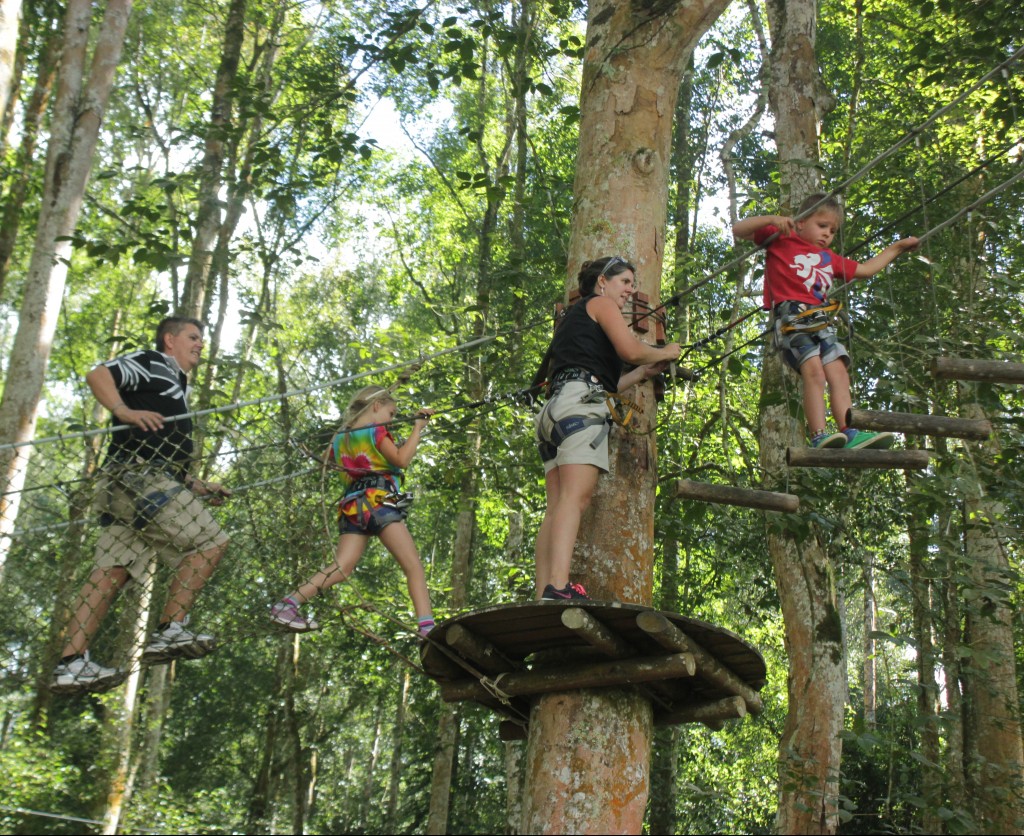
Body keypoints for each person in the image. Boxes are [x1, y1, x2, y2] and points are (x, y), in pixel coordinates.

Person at [51, 317, 231, 694]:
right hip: (140, 481)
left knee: (111, 571)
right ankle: (170, 630)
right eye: (193, 337)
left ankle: (70, 663)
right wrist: (122, 410)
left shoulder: (176, 387)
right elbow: (99, 373)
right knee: (211, 541)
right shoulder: (151, 362)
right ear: (170, 340)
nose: (200, 344)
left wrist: (194, 485)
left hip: (136, 486)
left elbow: (161, 448)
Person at [533, 256, 681, 601]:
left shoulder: (575, 319)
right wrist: (666, 349)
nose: (630, 290)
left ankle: (544, 589)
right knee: (575, 498)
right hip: (581, 409)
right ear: (603, 281)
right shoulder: (600, 303)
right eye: (625, 282)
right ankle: (557, 585)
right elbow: (629, 348)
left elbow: (601, 378)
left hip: (557, 408)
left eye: (632, 283)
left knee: (555, 506)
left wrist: (643, 374)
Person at [732, 193, 919, 449]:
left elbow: (865, 270)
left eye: (832, 231)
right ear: (800, 222)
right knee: (814, 372)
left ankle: (849, 430)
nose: (827, 235)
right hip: (791, 315)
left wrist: (897, 247)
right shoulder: (782, 239)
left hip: (820, 318)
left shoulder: (830, 259)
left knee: (839, 373)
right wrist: (774, 220)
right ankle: (819, 434)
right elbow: (739, 229)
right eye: (822, 226)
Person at [269, 385, 436, 637]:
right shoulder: (377, 430)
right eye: (391, 414)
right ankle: (427, 627)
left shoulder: (340, 437)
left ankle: (288, 604)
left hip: (352, 505)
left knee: (341, 568)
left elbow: (327, 460)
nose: (391, 422)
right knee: (413, 565)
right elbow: (402, 460)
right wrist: (417, 428)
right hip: (380, 499)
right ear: (377, 406)